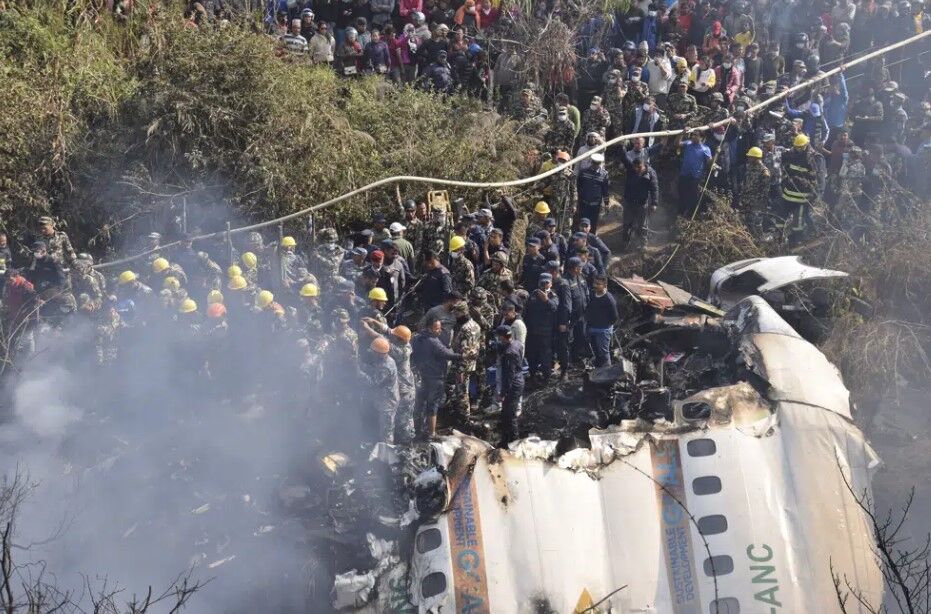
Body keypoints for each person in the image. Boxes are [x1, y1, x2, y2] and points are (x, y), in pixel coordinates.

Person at [411, 315, 461, 438]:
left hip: (421, 375)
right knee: (432, 405)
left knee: (419, 403)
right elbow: (447, 354)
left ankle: (418, 430)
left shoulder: (416, 338)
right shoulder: (433, 341)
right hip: (435, 376)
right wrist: (463, 356)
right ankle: (431, 433)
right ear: (429, 328)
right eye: (437, 328)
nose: (440, 330)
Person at [360, 337, 400, 442]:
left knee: (386, 432)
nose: (371, 354)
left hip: (388, 403)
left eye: (373, 352)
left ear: (379, 353)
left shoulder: (386, 367)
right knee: (379, 427)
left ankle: (386, 453)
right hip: (381, 399)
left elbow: (373, 383)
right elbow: (374, 369)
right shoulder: (382, 360)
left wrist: (358, 372)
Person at [618, 155, 660, 251]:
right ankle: (625, 243)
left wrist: (654, 203)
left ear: (644, 165)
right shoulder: (631, 169)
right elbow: (624, 157)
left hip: (642, 204)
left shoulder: (651, 173)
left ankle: (643, 244)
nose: (637, 169)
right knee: (627, 224)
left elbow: (655, 189)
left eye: (639, 167)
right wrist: (621, 145)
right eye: (635, 167)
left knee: (643, 226)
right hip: (629, 202)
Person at [494, 324, 524, 447]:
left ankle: (514, 443)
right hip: (518, 380)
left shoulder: (509, 353)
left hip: (513, 385)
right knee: (505, 413)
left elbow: (509, 377)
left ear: (502, 337)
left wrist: (502, 394)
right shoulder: (517, 344)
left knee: (510, 415)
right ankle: (505, 440)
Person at [523, 273, 558, 381]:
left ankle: (546, 377)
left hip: (546, 332)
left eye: (547, 282)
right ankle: (532, 374)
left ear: (551, 284)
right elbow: (527, 311)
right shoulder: (533, 294)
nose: (544, 284)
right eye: (542, 282)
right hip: (533, 331)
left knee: (545, 356)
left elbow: (555, 307)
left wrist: (546, 300)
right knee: (532, 354)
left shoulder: (553, 295)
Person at [584, 275, 617, 367]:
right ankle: (598, 372)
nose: (595, 285)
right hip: (592, 328)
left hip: (603, 330)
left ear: (605, 285)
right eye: (595, 283)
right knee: (596, 352)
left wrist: (605, 324)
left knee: (604, 354)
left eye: (598, 284)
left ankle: (607, 374)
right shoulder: (592, 294)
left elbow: (614, 317)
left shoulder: (609, 299)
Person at [678, 131, 712, 217]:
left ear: (701, 137)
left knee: (692, 196)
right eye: (693, 135)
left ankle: (689, 213)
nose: (693, 137)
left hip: (695, 177)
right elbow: (677, 143)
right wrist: (682, 133)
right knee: (682, 193)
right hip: (684, 174)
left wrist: (715, 155)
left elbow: (710, 163)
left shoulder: (705, 149)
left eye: (696, 135)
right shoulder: (688, 143)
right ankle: (680, 212)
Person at [576, 152, 610, 234]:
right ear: (591, 162)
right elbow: (578, 186)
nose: (595, 165)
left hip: (595, 205)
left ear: (600, 164)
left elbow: (605, 190)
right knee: (582, 223)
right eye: (594, 163)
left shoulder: (604, 174)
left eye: (597, 164)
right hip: (583, 203)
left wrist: (606, 203)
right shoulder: (583, 172)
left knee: (593, 224)